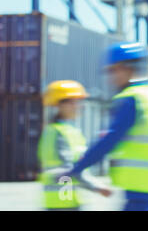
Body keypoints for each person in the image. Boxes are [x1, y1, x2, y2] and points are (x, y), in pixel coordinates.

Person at [64, 42, 148, 211]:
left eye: (113, 70)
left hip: (137, 184)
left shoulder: (132, 99)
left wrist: (78, 167)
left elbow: (110, 139)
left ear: (126, 68)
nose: (111, 77)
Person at [38, 80, 112, 211]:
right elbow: (71, 169)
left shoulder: (69, 131)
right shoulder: (56, 132)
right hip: (62, 201)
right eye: (74, 102)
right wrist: (96, 186)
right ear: (60, 105)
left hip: (69, 199)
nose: (79, 106)